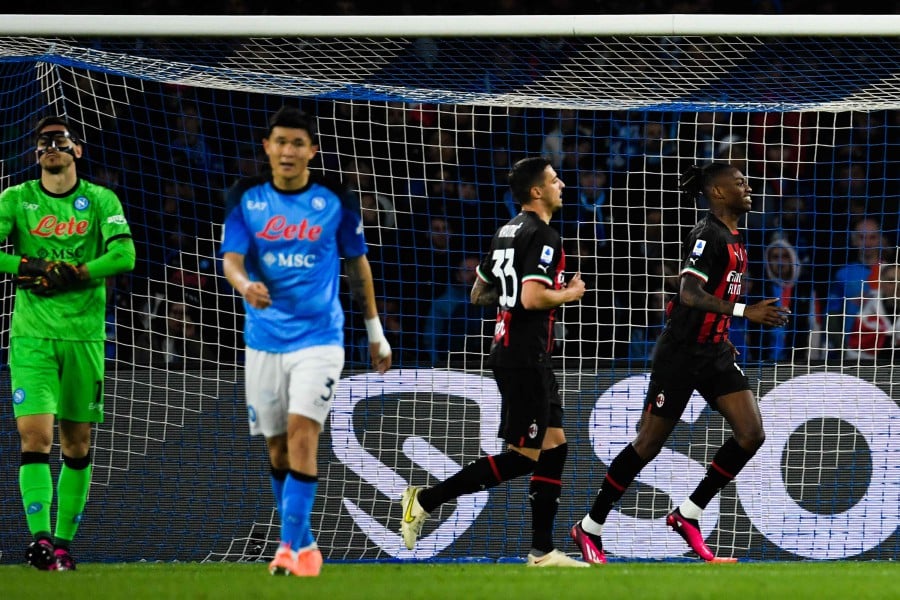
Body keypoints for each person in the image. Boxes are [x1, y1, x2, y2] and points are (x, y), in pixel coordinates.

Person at [569, 162, 790, 564]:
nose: (748, 186)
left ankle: (688, 513)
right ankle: (589, 526)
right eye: (739, 182)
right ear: (718, 193)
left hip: (716, 351)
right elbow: (688, 293)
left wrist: (723, 329)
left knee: (751, 433)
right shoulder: (708, 235)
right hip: (681, 354)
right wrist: (743, 312)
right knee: (648, 444)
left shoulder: (738, 237)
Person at [220, 105, 392, 578]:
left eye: (298, 143)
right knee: (277, 448)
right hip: (263, 341)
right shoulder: (245, 199)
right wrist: (243, 285)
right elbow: (231, 258)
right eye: (281, 142)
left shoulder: (335, 198)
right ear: (267, 147)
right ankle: (308, 544)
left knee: (302, 434)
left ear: (312, 151)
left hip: (320, 339)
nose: (289, 151)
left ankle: (286, 550)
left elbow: (358, 266)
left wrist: (375, 333)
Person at [401, 156, 588, 567]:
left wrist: (511, 304)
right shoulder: (544, 235)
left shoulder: (506, 231)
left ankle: (543, 549)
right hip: (523, 355)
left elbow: (479, 292)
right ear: (536, 191)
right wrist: (569, 293)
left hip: (518, 350)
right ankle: (426, 500)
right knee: (526, 455)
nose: (562, 186)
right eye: (555, 181)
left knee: (555, 447)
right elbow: (532, 298)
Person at [0, 115, 136, 570]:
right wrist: (29, 265)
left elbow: (124, 254)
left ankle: (62, 543)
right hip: (33, 336)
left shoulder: (100, 200)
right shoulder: (16, 199)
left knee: (76, 444)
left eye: (60, 140)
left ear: (77, 150)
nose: (51, 147)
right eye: (43, 142)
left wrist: (77, 272)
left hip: (84, 337)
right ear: (35, 153)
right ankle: (39, 539)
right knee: (33, 436)